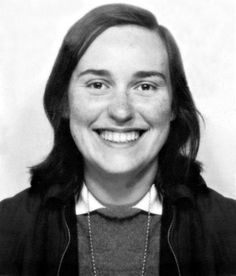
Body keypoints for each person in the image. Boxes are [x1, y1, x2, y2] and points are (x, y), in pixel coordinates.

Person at [0, 3, 235, 276]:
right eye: (97, 85)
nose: (121, 111)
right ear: (64, 101)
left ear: (173, 106)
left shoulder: (229, 229)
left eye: (145, 86)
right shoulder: (6, 230)